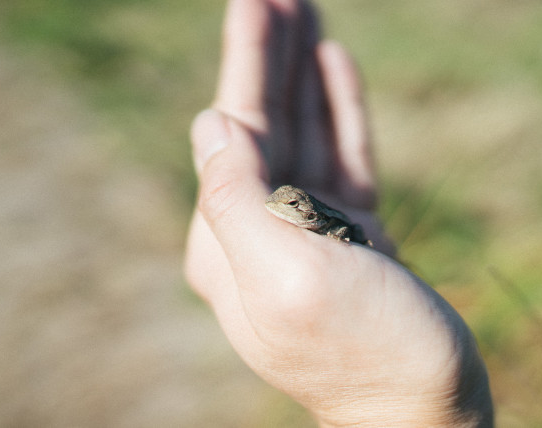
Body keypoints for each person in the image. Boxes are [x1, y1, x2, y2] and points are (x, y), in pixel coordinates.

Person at [184, 0, 494, 426]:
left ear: (308, 211)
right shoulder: (295, 209)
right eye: (284, 202)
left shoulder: (329, 226)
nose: (280, 208)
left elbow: (347, 233)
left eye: (292, 205)